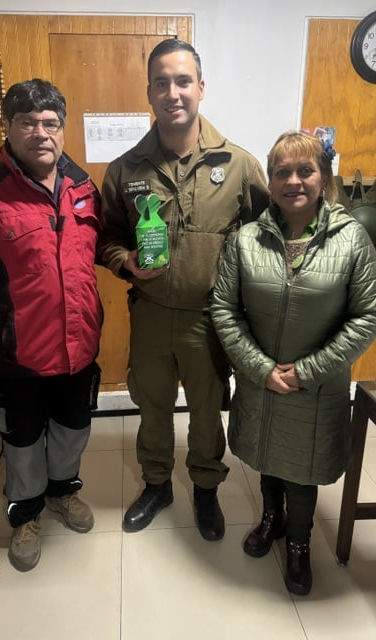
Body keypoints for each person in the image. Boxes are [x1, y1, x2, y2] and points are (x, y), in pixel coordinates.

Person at [98, 39, 269, 541]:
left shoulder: (238, 165)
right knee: (150, 407)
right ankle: (156, 484)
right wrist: (124, 260)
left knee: (206, 410)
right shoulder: (126, 169)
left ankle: (206, 487)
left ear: (200, 87)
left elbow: (267, 235)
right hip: (150, 314)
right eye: (161, 82)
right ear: (149, 92)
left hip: (212, 318)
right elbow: (105, 238)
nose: (172, 92)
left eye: (182, 81)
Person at [0, 78, 102, 572]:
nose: (40, 132)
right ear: (8, 127)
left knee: (72, 431)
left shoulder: (83, 186)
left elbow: (102, 250)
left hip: (78, 349)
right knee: (22, 440)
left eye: (50, 123)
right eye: (27, 122)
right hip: (14, 356)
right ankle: (24, 513)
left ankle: (62, 492)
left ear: (63, 130)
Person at [211, 131, 376, 594]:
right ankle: (272, 518)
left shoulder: (351, 240)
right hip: (261, 378)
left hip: (317, 384)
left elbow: (370, 314)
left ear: (323, 177)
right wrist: (260, 368)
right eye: (282, 172)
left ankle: (300, 543)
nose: (293, 181)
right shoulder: (247, 240)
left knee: (303, 466)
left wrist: (306, 370)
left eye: (305, 170)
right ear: (269, 181)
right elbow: (224, 309)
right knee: (270, 454)